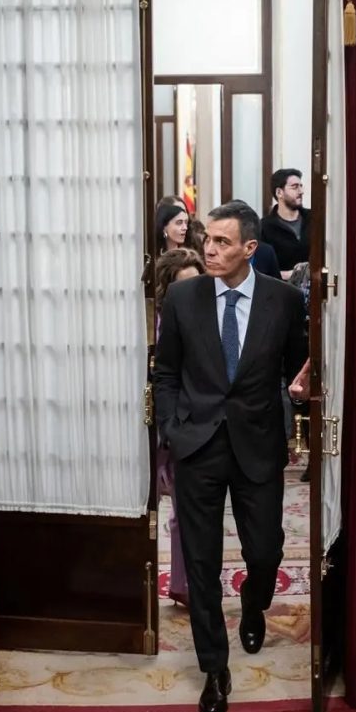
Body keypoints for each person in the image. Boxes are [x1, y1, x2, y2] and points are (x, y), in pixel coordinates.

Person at [154, 200, 310, 712]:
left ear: (249, 248)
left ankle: (253, 603)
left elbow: (294, 371)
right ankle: (214, 668)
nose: (209, 249)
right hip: (197, 446)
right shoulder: (182, 298)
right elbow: (167, 372)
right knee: (201, 563)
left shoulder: (284, 301)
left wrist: (298, 402)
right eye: (207, 240)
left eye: (222, 242)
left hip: (258, 444)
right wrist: (173, 428)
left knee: (264, 549)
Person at [153, 247, 206, 607]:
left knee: (190, 513)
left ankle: (187, 584)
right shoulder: (159, 323)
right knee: (170, 511)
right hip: (167, 424)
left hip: (200, 423)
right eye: (181, 287)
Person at [259, 168, 311, 277]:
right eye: (295, 187)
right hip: (281, 290)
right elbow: (261, 271)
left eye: (301, 186)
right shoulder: (264, 227)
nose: (301, 191)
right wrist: (292, 275)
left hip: (315, 289)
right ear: (279, 192)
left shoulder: (314, 219)